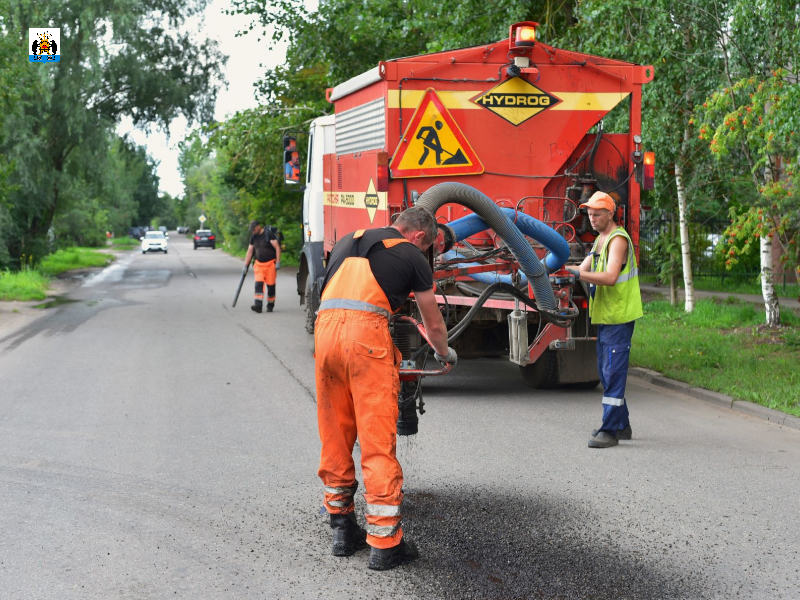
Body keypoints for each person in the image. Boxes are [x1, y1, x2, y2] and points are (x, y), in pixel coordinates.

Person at [315, 206, 457, 571]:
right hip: (366, 339)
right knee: (377, 442)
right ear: (420, 237)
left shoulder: (348, 241)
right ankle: (385, 543)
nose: (426, 253)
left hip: (325, 335)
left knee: (336, 433)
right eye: (429, 247)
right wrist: (445, 353)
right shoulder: (411, 255)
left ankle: (342, 529)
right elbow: (432, 320)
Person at [568, 191, 643, 449]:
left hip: (619, 316)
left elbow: (610, 277)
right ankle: (622, 426)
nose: (592, 219)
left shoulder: (617, 239)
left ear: (610, 214)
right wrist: (562, 271)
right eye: (589, 214)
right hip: (607, 316)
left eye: (597, 214)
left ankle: (609, 431)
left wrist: (578, 274)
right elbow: (582, 269)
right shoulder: (600, 240)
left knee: (612, 373)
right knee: (606, 371)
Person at [244, 220, 281, 313]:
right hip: (259, 265)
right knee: (258, 285)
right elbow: (250, 252)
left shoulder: (269, 235)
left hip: (270, 264)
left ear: (258, 226)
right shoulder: (253, 237)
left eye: (253, 229)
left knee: (271, 285)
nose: (252, 231)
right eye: (251, 230)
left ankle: (270, 305)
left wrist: (278, 262)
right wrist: (245, 265)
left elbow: (277, 248)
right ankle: (258, 306)